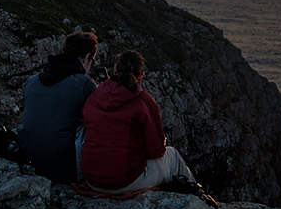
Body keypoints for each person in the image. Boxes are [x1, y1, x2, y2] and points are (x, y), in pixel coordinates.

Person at [80, 50, 209, 200]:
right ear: (141, 76)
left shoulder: (95, 95)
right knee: (172, 156)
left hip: (92, 179)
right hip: (123, 181)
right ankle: (198, 200)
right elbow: (156, 151)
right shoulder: (142, 102)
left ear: (115, 69)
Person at [17, 32, 98, 183]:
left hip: (27, 159)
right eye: (92, 60)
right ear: (86, 57)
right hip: (65, 169)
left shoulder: (32, 81)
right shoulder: (84, 84)